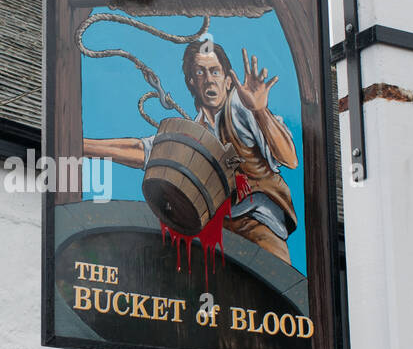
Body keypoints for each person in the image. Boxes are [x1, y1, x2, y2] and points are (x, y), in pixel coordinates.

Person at [83, 39, 299, 265]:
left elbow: (290, 158)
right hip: (222, 234)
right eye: (200, 72)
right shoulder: (195, 134)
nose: (209, 79)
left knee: (278, 290)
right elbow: (143, 150)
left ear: (227, 81)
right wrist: (81, 146)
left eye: (215, 71)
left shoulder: (240, 108)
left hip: (258, 225)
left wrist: (260, 111)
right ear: (191, 82)